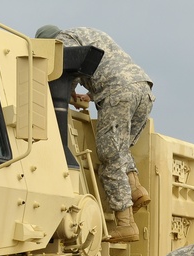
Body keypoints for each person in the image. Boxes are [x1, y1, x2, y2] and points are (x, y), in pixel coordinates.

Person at [37, 25, 154, 243]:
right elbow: (108, 67)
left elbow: (60, 74)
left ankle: (126, 224)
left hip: (117, 92)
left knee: (109, 156)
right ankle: (136, 189)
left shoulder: (63, 41)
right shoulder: (84, 33)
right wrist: (86, 95)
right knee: (119, 148)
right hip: (141, 88)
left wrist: (65, 92)